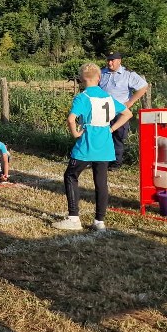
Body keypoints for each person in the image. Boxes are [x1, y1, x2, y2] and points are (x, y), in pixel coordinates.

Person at [52, 63, 132, 231]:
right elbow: (127, 113)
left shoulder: (83, 97)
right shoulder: (108, 97)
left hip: (87, 144)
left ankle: (74, 218)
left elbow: (71, 119)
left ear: (81, 79)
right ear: (99, 77)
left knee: (70, 175)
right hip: (105, 145)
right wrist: (111, 129)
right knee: (101, 182)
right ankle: (99, 221)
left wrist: (75, 133)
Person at [98, 52, 148, 168]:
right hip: (103, 111)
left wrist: (130, 102)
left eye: (112, 60)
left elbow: (143, 87)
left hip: (120, 112)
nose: (109, 62)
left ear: (119, 61)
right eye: (108, 60)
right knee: (103, 136)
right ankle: (102, 162)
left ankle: (115, 164)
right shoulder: (101, 72)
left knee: (118, 137)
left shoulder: (128, 74)